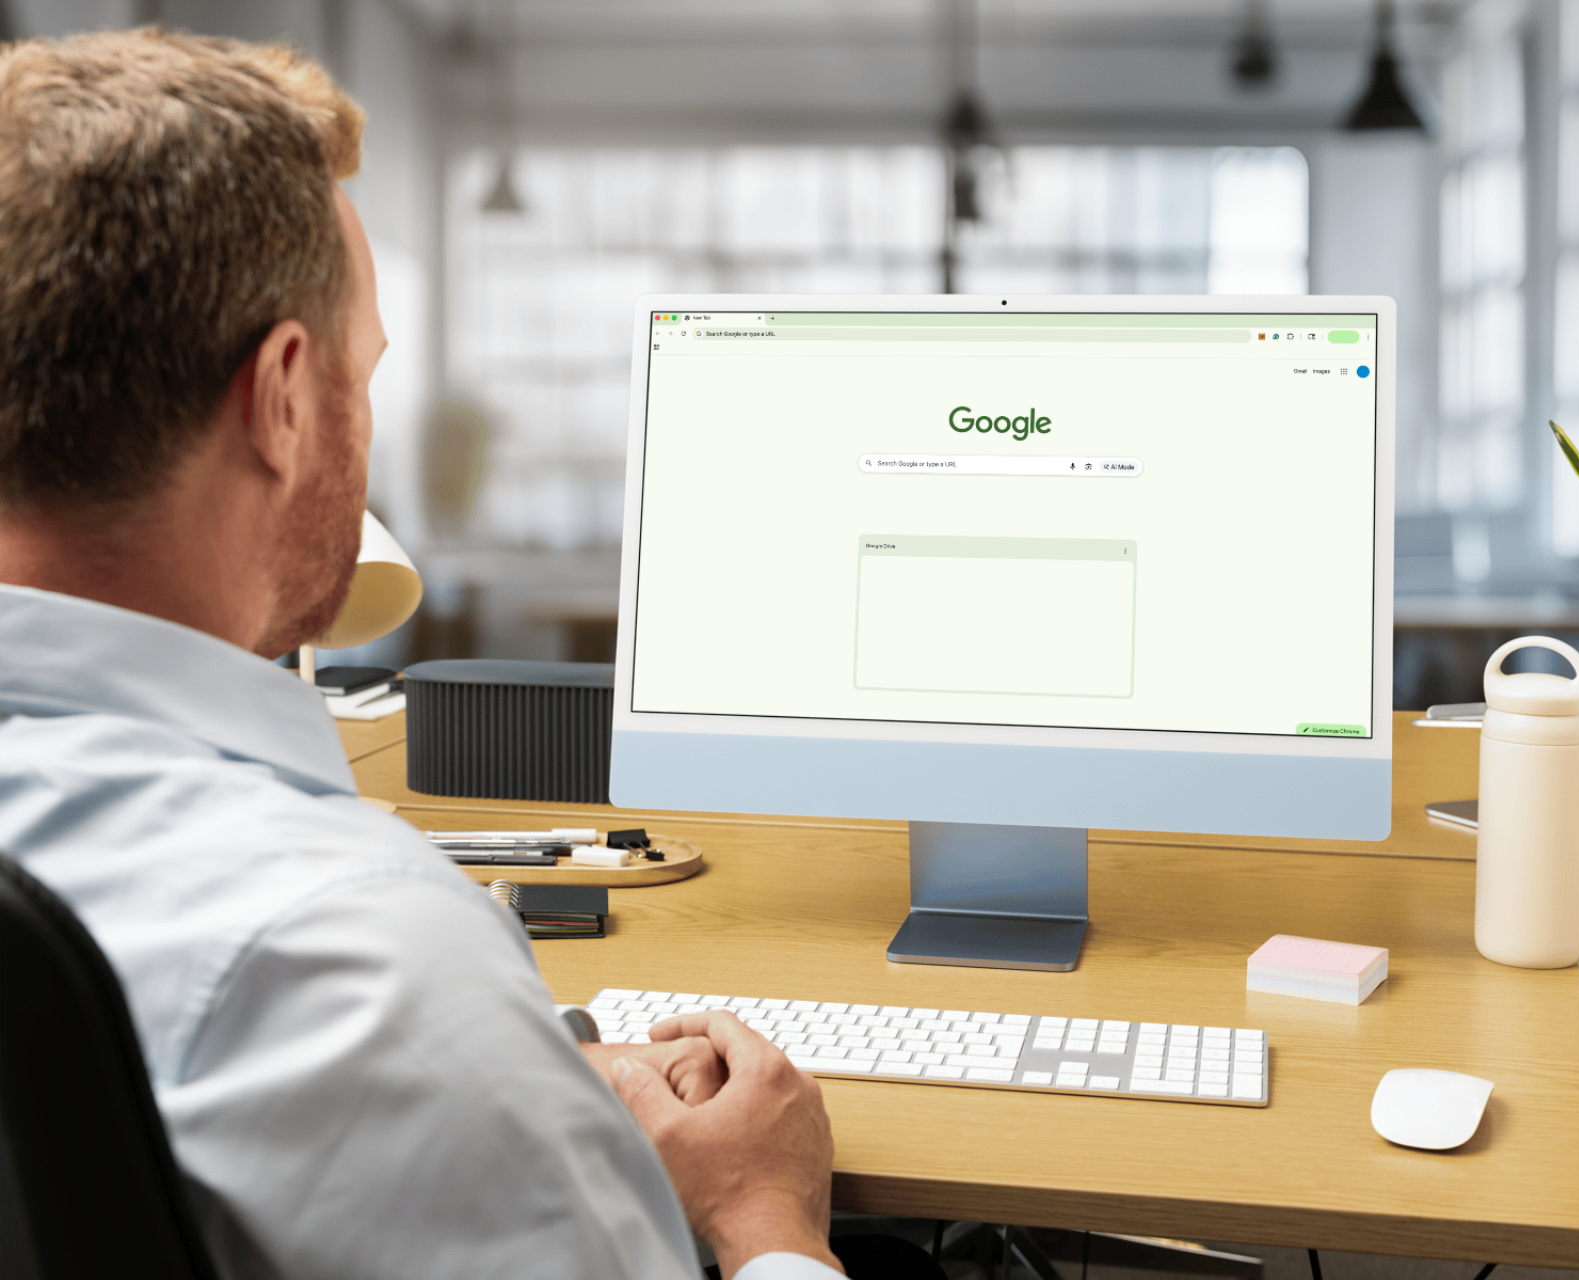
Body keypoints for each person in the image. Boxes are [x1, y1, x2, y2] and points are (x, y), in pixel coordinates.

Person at [0, 28, 912, 1280]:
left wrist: (502, 1077)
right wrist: (767, 1223)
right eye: (362, 374)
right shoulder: (360, 959)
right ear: (279, 395)